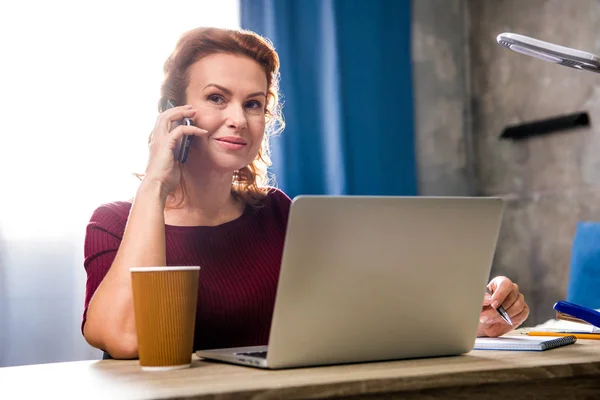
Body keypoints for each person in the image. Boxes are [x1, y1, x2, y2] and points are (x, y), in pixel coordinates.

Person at [81, 27, 530, 359]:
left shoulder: (278, 214)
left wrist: (464, 320)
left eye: (253, 104)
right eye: (217, 98)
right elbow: (128, 338)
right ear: (173, 112)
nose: (239, 118)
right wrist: (156, 185)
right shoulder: (115, 222)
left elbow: (357, 320)